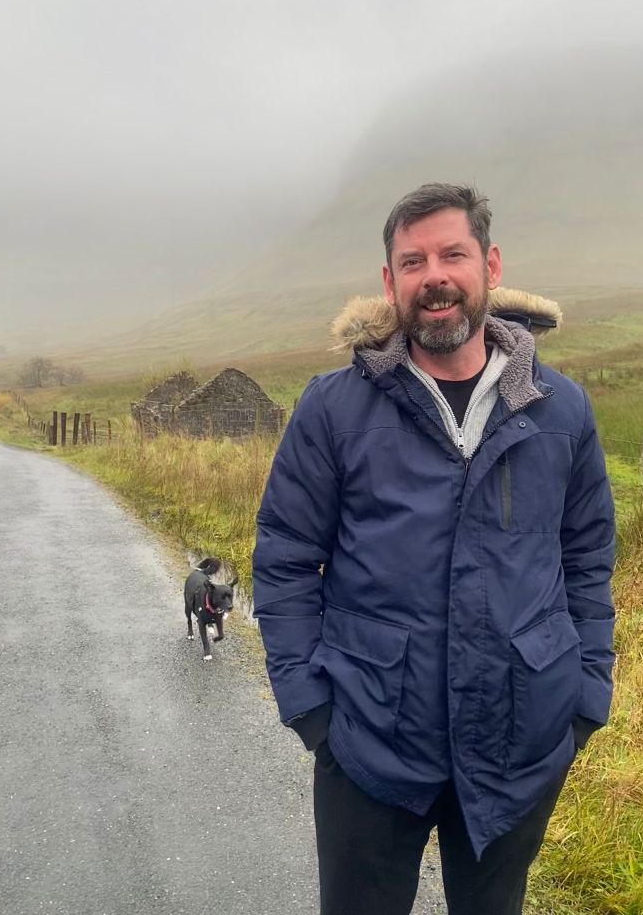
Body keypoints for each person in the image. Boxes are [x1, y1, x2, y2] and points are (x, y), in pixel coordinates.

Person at [252, 183, 615, 915]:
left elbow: (587, 559)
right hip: (366, 738)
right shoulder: (333, 407)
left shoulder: (560, 409)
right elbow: (286, 557)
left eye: (453, 253)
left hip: (523, 736)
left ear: (489, 264)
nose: (435, 276)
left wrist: (585, 696)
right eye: (412, 261)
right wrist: (311, 709)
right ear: (391, 283)